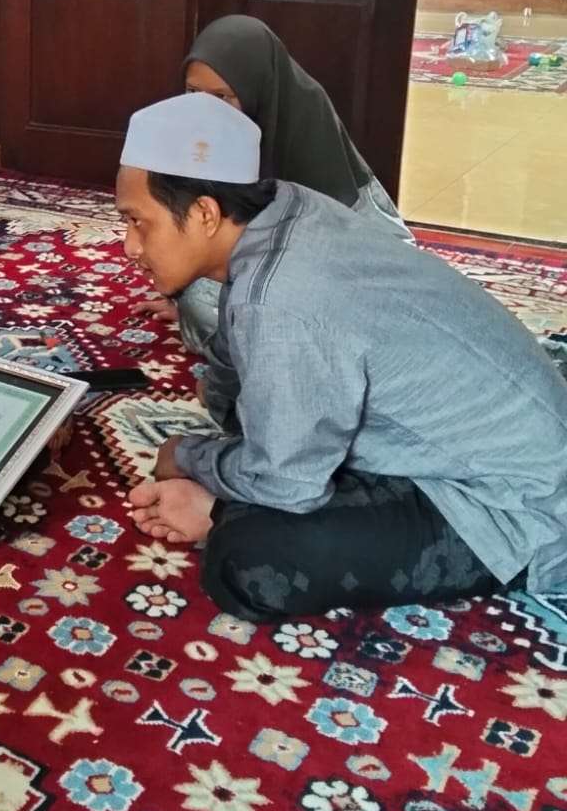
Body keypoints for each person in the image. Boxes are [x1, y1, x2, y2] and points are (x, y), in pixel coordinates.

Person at [118, 93, 567, 623]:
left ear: (204, 214)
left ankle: (219, 511)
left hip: (517, 506)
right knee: (244, 411)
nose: (129, 247)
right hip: (499, 443)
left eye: (138, 222)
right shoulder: (289, 208)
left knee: (247, 562)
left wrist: (191, 461)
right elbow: (239, 358)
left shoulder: (281, 300)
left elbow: (286, 484)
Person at [159, 16, 411, 354]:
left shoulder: (303, 119)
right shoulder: (202, 130)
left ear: (257, 88)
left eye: (222, 97)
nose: (204, 109)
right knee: (198, 296)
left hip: (342, 262)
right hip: (269, 258)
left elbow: (327, 240)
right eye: (193, 92)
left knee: (232, 304)